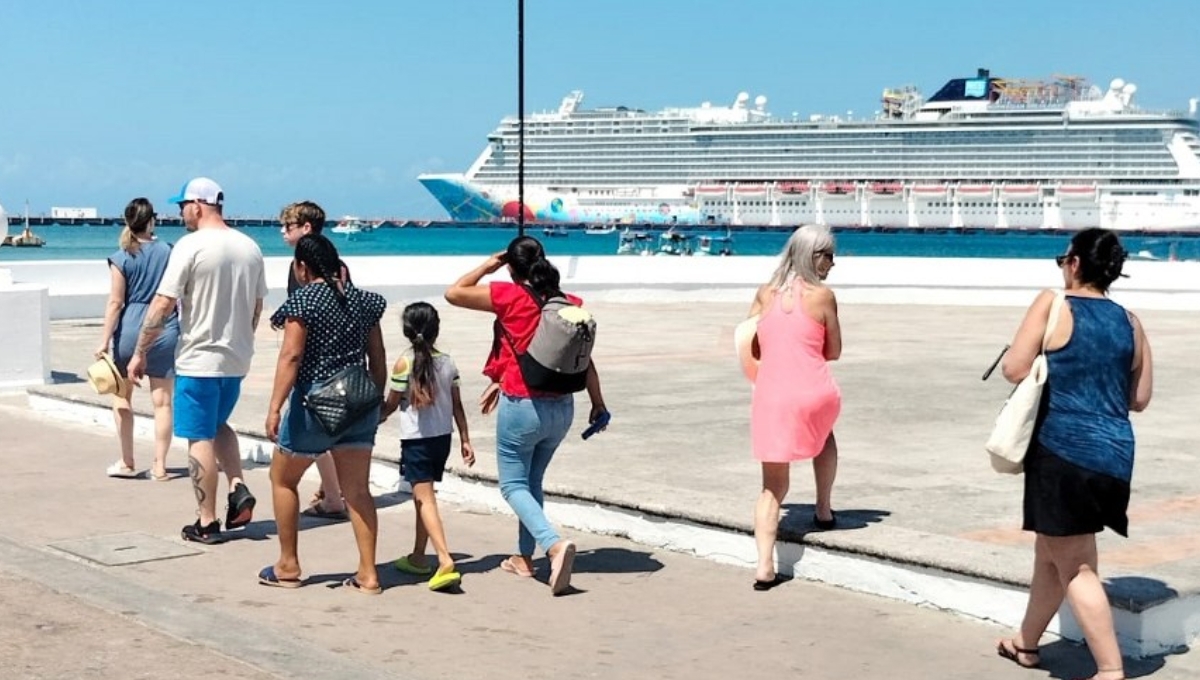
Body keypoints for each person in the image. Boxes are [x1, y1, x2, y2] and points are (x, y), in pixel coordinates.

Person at [996, 228, 1153, 680]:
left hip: (1062, 451)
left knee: (1077, 565)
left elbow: (1014, 369)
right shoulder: (1130, 320)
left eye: (1063, 258)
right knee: (1052, 553)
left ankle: (1109, 669)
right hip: (1115, 454)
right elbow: (1139, 397)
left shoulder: (1053, 302)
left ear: (1076, 263)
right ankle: (1026, 643)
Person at [445, 235, 607, 596]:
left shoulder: (508, 295)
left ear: (512, 266)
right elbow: (586, 360)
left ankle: (552, 545)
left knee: (512, 485)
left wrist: (491, 263)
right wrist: (598, 402)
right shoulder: (571, 303)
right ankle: (523, 558)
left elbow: (454, 292)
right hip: (563, 408)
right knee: (531, 483)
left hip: (523, 404)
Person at [128, 177, 267, 545]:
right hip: (235, 359)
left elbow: (163, 303)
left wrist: (141, 351)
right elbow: (256, 306)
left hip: (198, 359)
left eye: (182, 206)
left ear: (198, 205)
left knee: (199, 436)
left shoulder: (190, 246)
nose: (180, 213)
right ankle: (237, 486)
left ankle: (206, 521)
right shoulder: (250, 247)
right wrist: (243, 340)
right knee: (219, 423)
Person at [260, 234, 388, 593]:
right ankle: (368, 573)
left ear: (302, 267)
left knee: (283, 479)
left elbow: (291, 357)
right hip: (358, 403)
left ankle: (288, 564)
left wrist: (274, 407)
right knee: (358, 491)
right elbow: (377, 357)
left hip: (315, 406)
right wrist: (375, 400)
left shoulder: (304, 301)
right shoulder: (365, 301)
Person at [747, 224, 842, 591]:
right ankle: (823, 509)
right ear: (812, 256)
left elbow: (750, 345)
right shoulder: (823, 296)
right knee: (823, 434)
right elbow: (833, 351)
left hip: (771, 394)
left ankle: (764, 567)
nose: (833, 263)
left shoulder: (764, 294)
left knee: (772, 487)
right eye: (829, 255)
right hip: (814, 391)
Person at [380, 302, 475, 592]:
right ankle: (419, 556)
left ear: (407, 331)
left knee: (425, 499)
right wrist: (466, 439)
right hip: (442, 438)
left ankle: (445, 560)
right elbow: (457, 405)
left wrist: (372, 417)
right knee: (424, 496)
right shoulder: (448, 361)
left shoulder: (403, 362)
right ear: (437, 329)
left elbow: (391, 404)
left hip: (417, 439)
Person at [95, 198, 179, 481]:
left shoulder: (122, 256)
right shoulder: (169, 251)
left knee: (122, 397)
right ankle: (160, 466)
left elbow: (115, 303)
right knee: (163, 402)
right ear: (152, 220)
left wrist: (104, 340)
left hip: (130, 328)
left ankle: (127, 461)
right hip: (164, 327)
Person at [276, 201, 346, 520]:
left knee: (309, 435)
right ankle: (332, 490)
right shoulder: (335, 265)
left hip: (316, 366)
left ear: (306, 228)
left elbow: (300, 316)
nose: (282, 232)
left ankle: (332, 495)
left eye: (287, 227)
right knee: (328, 434)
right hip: (338, 365)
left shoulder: (302, 269)